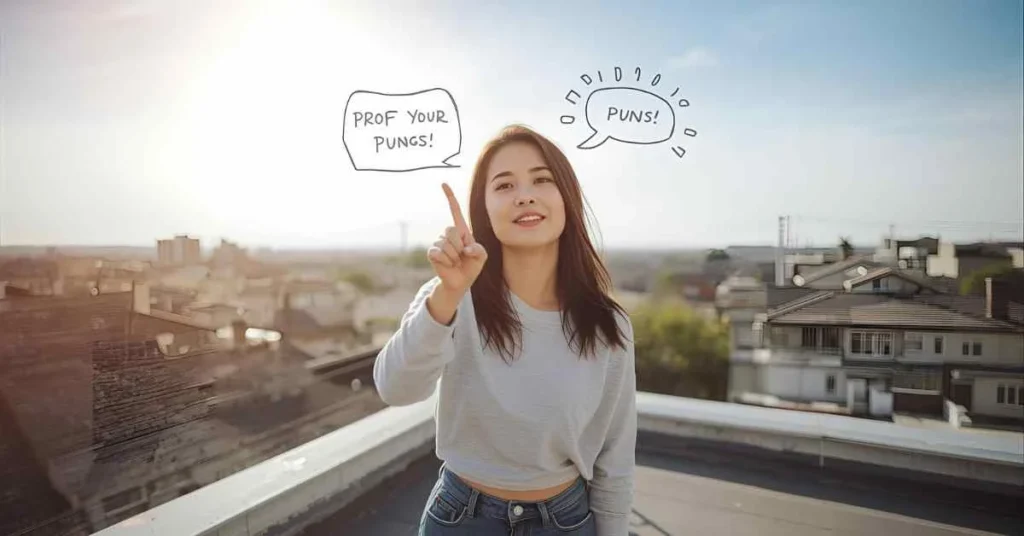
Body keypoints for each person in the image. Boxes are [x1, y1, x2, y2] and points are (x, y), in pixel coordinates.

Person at [373, 124, 637, 535]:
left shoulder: (608, 325)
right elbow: (395, 388)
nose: (524, 195)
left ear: (567, 197)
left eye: (541, 179)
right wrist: (449, 294)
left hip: (566, 522)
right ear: (484, 210)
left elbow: (615, 456)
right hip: (461, 518)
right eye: (504, 185)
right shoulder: (450, 295)